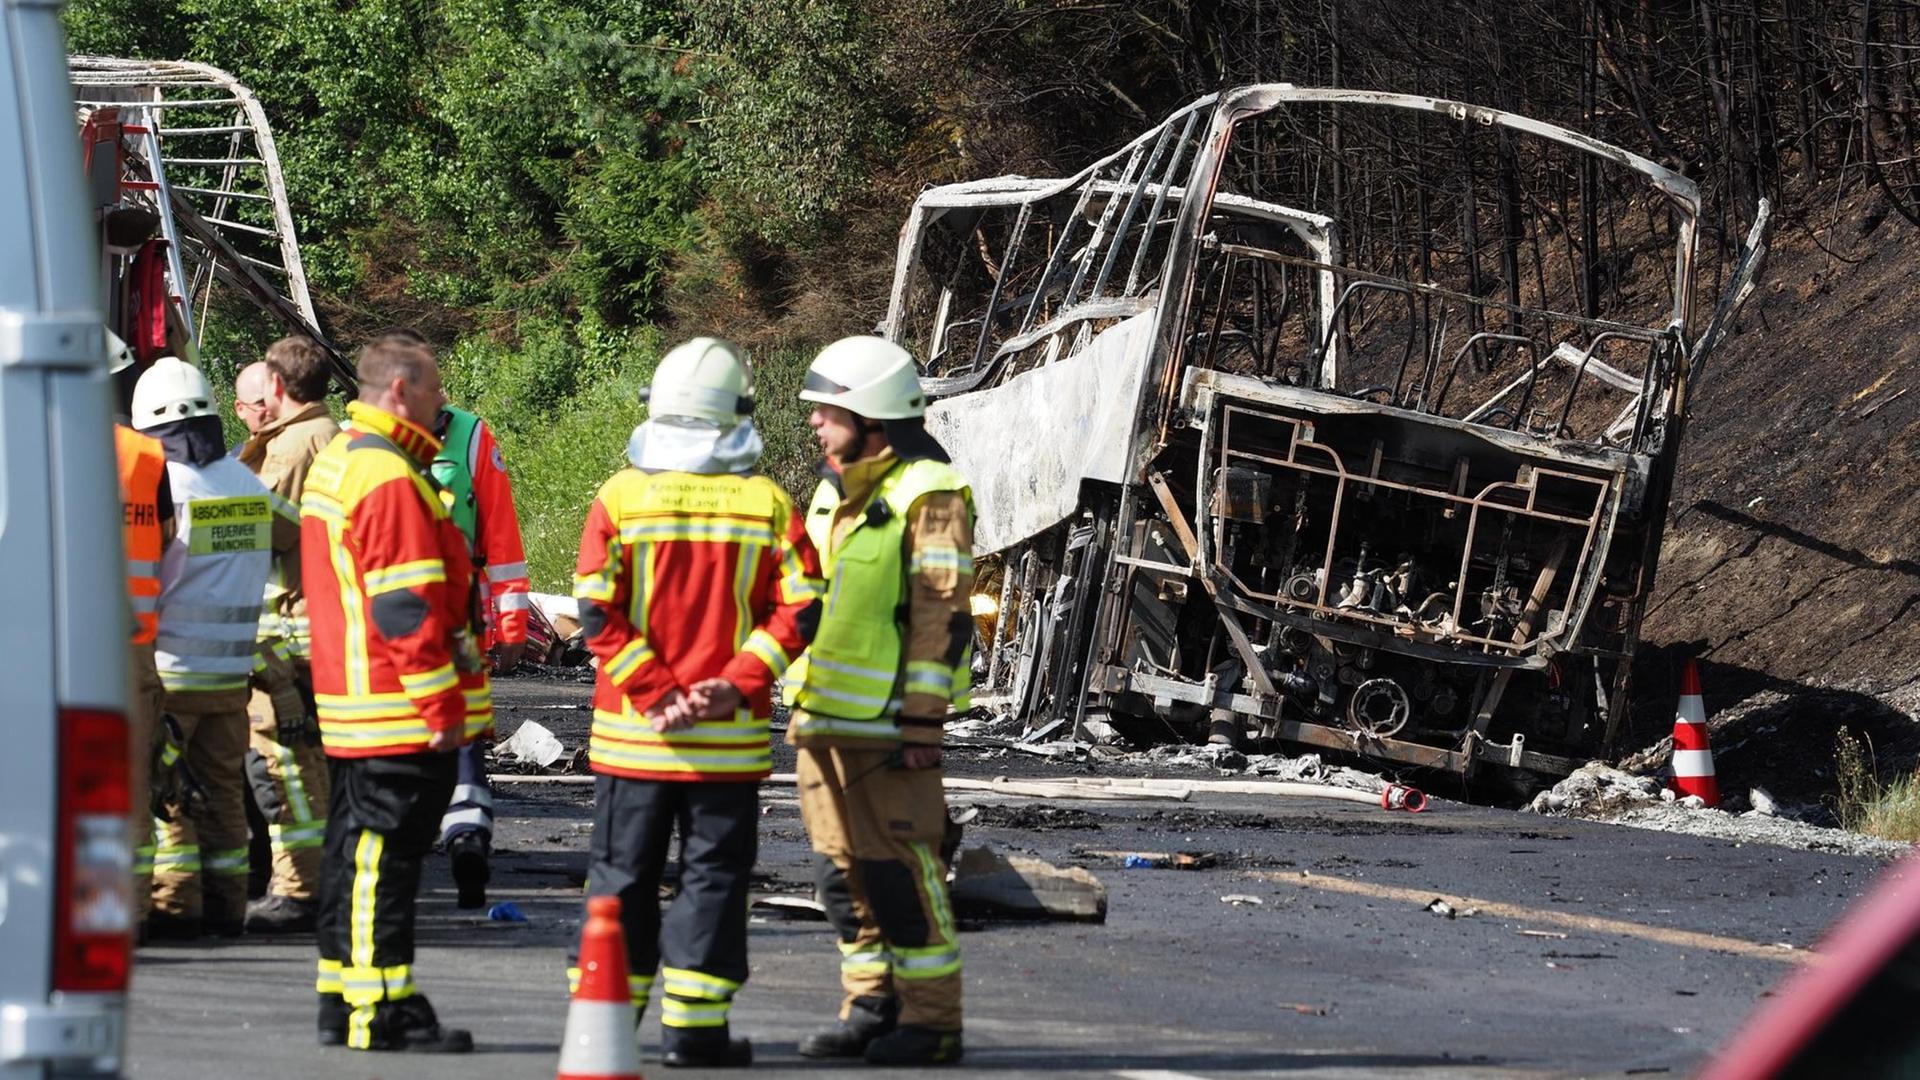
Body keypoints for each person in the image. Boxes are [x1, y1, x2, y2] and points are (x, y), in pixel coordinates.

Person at [571, 337, 821, 1067]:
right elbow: (803, 610)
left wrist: (657, 694)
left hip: (634, 737)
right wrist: (738, 680)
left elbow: (594, 612)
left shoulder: (621, 497)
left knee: (622, 879)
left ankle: (609, 1020)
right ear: (735, 416)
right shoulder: (768, 505)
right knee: (714, 878)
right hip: (727, 742)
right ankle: (696, 1029)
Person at [787, 336, 975, 1066]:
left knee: (900, 869)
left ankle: (932, 1022)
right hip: (823, 716)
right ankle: (868, 1003)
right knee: (839, 870)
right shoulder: (832, 489)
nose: (814, 423)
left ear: (871, 415)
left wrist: (924, 721)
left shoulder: (928, 493)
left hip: (891, 727)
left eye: (826, 410)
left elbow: (942, 613)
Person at [303, 336, 488, 1053]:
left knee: (354, 856)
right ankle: (379, 1009)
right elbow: (406, 608)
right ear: (403, 390)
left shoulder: (344, 460)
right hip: (396, 706)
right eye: (437, 393)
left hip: (358, 701)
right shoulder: (387, 477)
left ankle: (342, 994)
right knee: (385, 862)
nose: (443, 407)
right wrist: (444, 710)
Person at [371, 327, 530, 909]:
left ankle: (467, 839)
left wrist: (512, 626)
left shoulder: (469, 436)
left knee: (463, 739)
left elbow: (501, 538)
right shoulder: (363, 445)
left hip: (458, 624)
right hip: (388, 628)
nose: (441, 398)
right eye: (429, 387)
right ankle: (409, 850)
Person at [133, 356, 276, 940]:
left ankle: (175, 906)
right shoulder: (247, 481)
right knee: (221, 797)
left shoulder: (165, 485)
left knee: (167, 799)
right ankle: (226, 906)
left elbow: (153, 571)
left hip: (172, 673)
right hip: (230, 676)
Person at [232, 337, 340, 933]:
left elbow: (259, 528)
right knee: (310, 762)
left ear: (275, 386)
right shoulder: (329, 434)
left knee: (286, 764)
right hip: (310, 626)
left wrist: (206, 497)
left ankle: (300, 889)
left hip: (288, 630)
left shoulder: (295, 446)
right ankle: (310, 879)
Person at [109, 330, 174, 937]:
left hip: (42, 647)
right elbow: (171, 542)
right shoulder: (149, 459)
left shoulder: (29, 445)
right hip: (131, 647)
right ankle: (123, 909)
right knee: (128, 780)